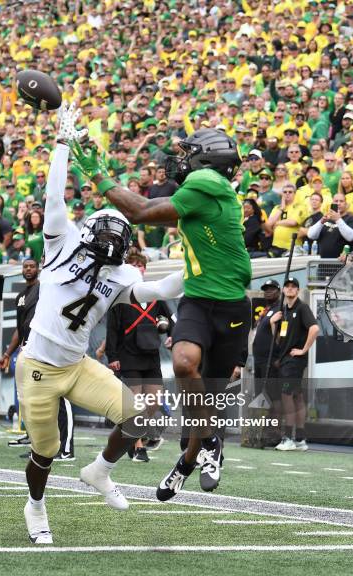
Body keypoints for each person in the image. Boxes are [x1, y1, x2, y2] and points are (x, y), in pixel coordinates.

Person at [17, 104, 183, 544]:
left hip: (76, 364)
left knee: (138, 418)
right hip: (38, 365)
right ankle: (35, 506)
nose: (108, 250)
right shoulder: (60, 244)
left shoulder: (122, 273)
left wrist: (206, 268)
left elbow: (160, 292)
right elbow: (54, 196)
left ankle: (100, 470)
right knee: (46, 451)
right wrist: (60, 145)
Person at [70, 126, 251, 501]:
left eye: (188, 153)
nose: (180, 160)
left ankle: (187, 462)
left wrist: (98, 174)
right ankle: (209, 444)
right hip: (199, 298)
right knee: (185, 364)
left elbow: (140, 211)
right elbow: (148, 209)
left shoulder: (207, 181)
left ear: (205, 158)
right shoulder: (205, 188)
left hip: (231, 303)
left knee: (205, 405)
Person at [0, 258, 76, 460]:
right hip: (30, 351)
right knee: (38, 400)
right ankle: (42, 446)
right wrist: (7, 354)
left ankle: (66, 449)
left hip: (51, 348)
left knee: (61, 397)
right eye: (25, 266)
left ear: (39, 269)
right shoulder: (21, 296)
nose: (28, 269)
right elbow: (19, 328)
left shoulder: (46, 289)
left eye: (32, 266)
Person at [105, 251, 174, 462]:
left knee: (152, 402)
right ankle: (138, 446)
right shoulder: (120, 297)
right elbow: (112, 329)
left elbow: (170, 318)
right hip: (128, 356)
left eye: (140, 266)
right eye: (133, 266)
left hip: (151, 354)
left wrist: (172, 335)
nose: (138, 269)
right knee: (135, 403)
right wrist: (112, 355)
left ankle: (128, 435)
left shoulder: (155, 294)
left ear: (144, 269)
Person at [270, 277, 319, 451]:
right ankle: (299, 438)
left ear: (298, 290)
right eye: (287, 286)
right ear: (283, 290)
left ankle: (288, 438)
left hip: (294, 361)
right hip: (285, 360)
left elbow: (315, 328)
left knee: (286, 395)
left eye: (294, 287)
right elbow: (278, 340)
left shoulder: (302, 308)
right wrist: (271, 323)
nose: (290, 289)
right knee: (297, 396)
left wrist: (303, 350)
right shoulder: (284, 310)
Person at [252, 279, 282, 442]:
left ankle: (274, 431)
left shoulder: (280, 309)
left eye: (272, 289)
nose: (268, 291)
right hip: (259, 360)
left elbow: (282, 335)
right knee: (261, 395)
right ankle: (261, 431)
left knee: (273, 396)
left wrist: (279, 356)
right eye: (266, 289)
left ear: (279, 291)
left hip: (271, 359)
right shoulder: (266, 310)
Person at [307, 193, 353, 258]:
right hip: (321, 261)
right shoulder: (326, 218)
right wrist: (321, 222)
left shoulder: (351, 218)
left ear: (346, 204)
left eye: (341, 201)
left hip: (340, 262)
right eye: (336, 201)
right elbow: (311, 235)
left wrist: (338, 220)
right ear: (332, 203)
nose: (338, 203)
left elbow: (351, 237)